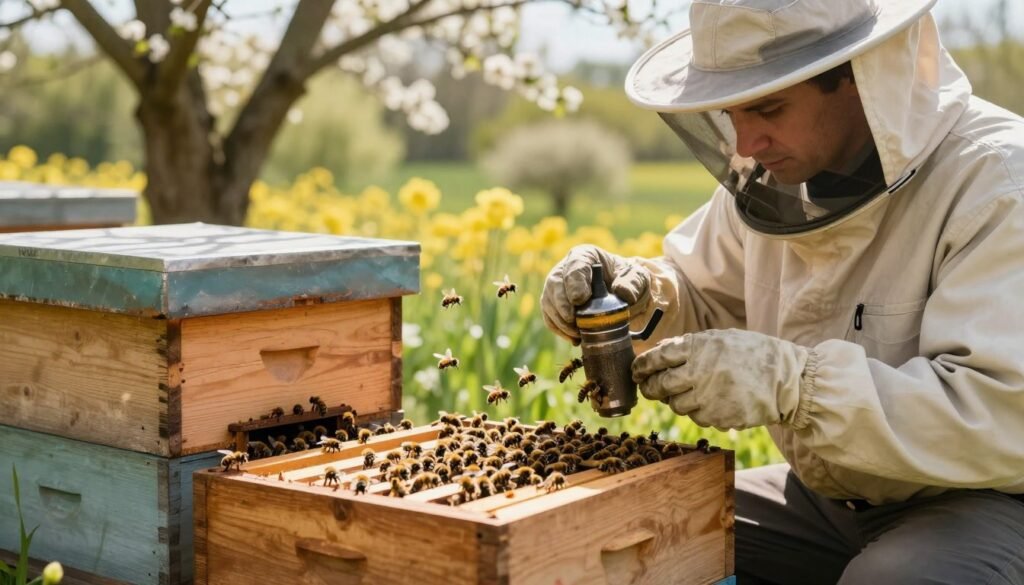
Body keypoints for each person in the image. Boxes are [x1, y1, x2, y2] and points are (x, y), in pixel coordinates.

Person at [539, 0, 1024, 583]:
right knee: (632, 530)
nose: (746, 142)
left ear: (857, 76)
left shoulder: (998, 182)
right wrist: (639, 292)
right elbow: (700, 288)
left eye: (767, 107)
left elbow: (999, 412)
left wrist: (795, 386)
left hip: (989, 499)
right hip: (828, 499)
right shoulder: (778, 179)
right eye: (731, 113)